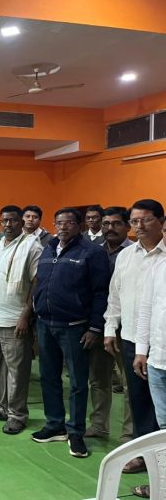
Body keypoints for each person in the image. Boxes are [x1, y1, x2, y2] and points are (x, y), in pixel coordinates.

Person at [32, 207, 110, 458]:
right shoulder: (48, 249)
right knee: (48, 377)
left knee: (77, 382)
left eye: (68, 223)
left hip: (75, 327)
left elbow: (101, 292)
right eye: (58, 223)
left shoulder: (92, 252)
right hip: (45, 324)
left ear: (79, 226)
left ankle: (76, 431)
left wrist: (95, 327)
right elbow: (40, 283)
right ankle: (55, 424)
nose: (62, 227)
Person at [104, 200, 165, 477]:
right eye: (134, 221)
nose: (138, 226)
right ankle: (145, 455)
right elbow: (114, 295)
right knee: (138, 400)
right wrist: (110, 328)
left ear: (161, 221)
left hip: (161, 340)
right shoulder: (126, 256)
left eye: (145, 220)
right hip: (132, 339)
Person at [0, 206, 42, 435]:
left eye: (13, 220)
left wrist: (25, 315)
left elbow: (36, 282)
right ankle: (1, 407)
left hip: (14, 319)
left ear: (21, 222)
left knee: (17, 371)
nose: (8, 224)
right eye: (4, 221)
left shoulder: (32, 245)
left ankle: (17, 415)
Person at [86, 207, 133, 441]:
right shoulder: (93, 251)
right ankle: (98, 425)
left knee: (130, 383)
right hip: (98, 323)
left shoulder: (134, 253)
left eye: (116, 224)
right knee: (98, 379)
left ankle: (130, 434)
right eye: (106, 224)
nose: (110, 228)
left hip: (126, 327)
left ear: (127, 226)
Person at [134, 224, 166, 499]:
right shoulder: (159, 266)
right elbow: (146, 309)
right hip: (158, 360)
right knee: (163, 428)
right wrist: (141, 350)